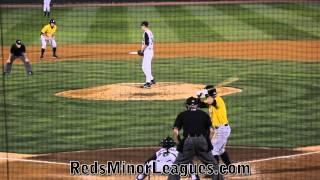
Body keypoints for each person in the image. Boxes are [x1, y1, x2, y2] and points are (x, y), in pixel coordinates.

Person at [169, 97, 221, 180]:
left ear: (187, 105)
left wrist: (179, 143)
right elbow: (212, 131)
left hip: (188, 141)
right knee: (213, 164)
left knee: (177, 166)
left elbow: (175, 132)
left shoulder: (182, 114)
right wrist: (207, 142)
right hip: (202, 141)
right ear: (197, 105)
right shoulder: (204, 114)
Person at [197, 85, 232, 166]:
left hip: (222, 129)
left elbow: (211, 102)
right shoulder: (212, 101)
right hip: (219, 130)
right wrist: (198, 97)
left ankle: (215, 172)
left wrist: (205, 94)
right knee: (220, 150)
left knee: (213, 150)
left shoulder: (218, 100)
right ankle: (229, 167)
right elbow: (200, 105)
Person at [139, 21, 155, 88]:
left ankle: (148, 83)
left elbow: (146, 43)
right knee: (145, 67)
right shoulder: (150, 32)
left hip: (148, 52)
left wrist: (142, 51)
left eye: (141, 26)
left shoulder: (146, 33)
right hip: (149, 51)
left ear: (144, 26)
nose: (141, 27)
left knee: (146, 68)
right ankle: (151, 79)